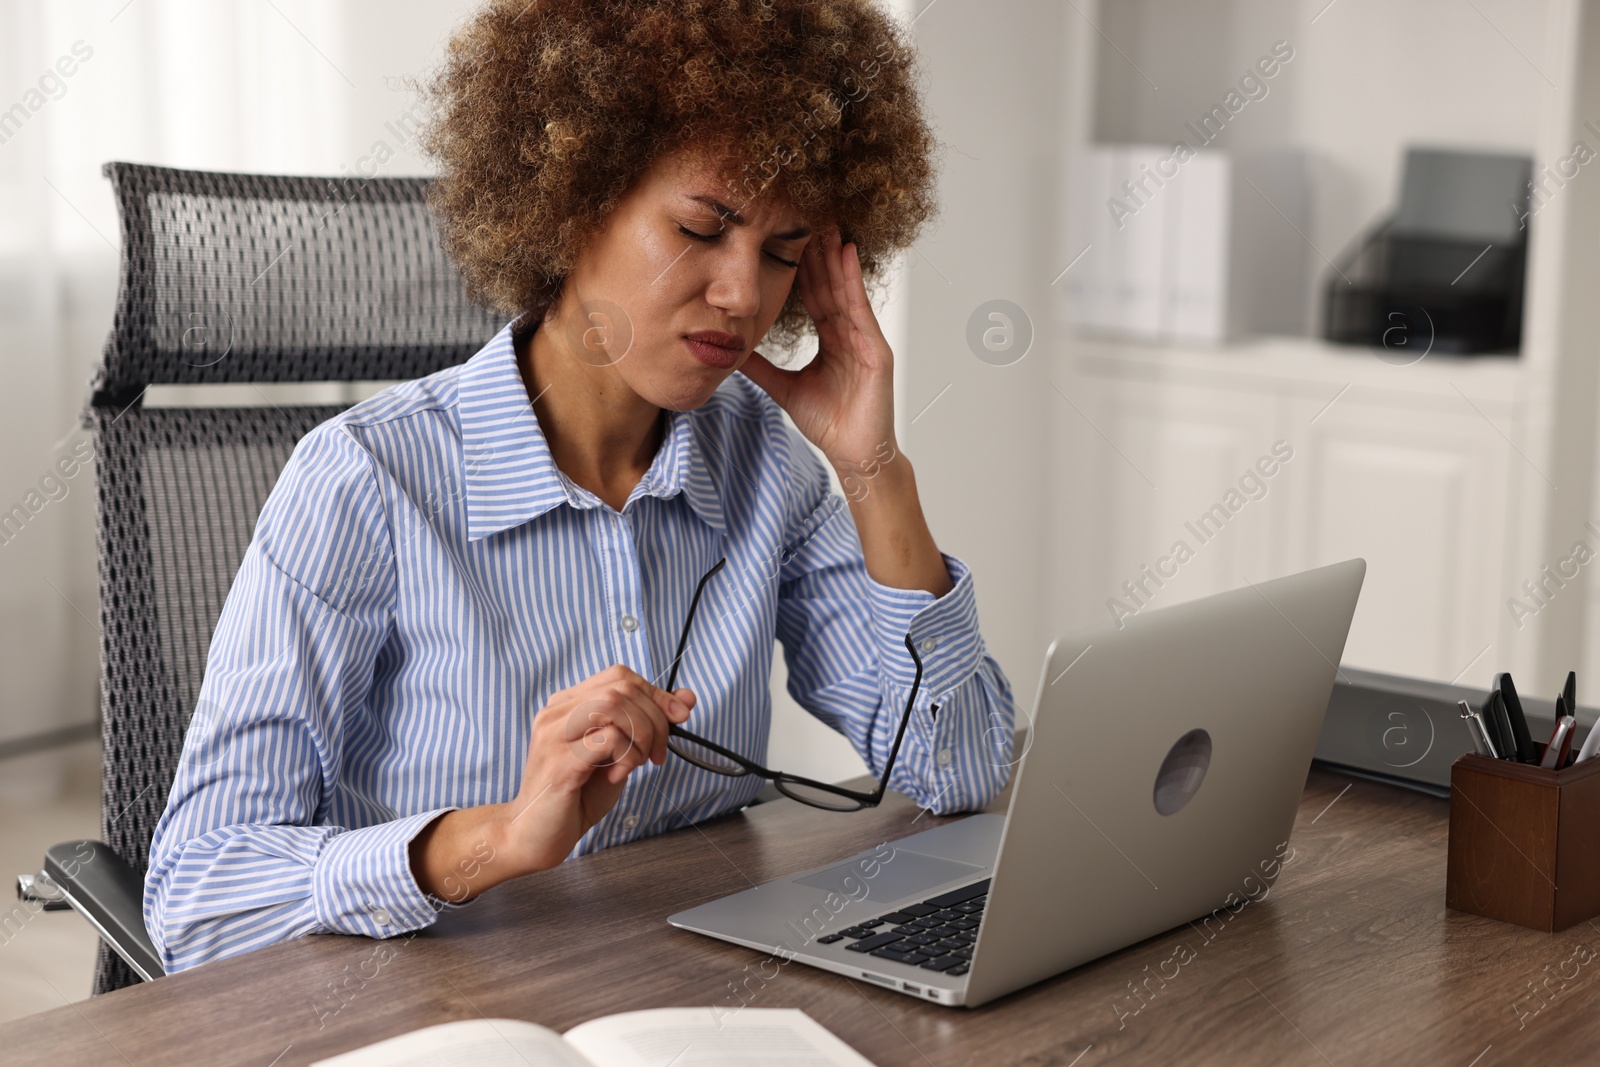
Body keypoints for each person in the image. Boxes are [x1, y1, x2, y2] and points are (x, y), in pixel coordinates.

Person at [144, 0, 1016, 974]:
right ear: (572, 199)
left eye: (781, 251)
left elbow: (959, 768)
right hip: (438, 1014)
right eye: (701, 226)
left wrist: (873, 470)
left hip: (687, 999)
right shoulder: (366, 481)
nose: (743, 293)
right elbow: (198, 896)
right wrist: (497, 838)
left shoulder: (764, 462)